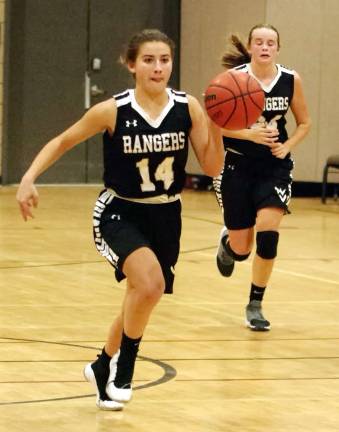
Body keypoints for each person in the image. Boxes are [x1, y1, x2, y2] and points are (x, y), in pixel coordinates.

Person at [16, 29, 223, 410]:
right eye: (148, 60)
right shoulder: (113, 110)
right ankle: (125, 366)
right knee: (149, 284)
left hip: (166, 213)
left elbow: (211, 166)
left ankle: (101, 366)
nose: (158, 68)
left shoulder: (187, 106)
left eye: (164, 60)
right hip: (117, 211)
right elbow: (62, 141)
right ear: (132, 65)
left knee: (140, 295)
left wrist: (220, 125)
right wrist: (28, 178)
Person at [213, 24, 311, 331]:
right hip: (238, 166)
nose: (265, 47)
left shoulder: (290, 79)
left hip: (274, 168)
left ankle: (255, 304)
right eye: (259, 42)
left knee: (268, 235)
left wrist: (287, 146)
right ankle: (229, 244)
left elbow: (304, 123)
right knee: (243, 249)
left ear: (277, 48)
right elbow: (215, 125)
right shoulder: (233, 80)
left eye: (271, 43)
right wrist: (249, 135)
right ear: (251, 47)